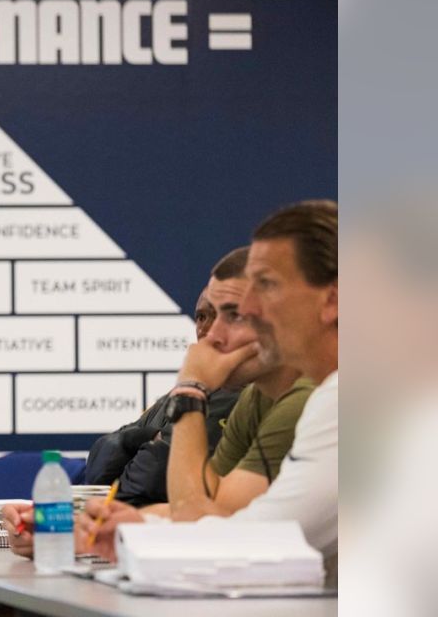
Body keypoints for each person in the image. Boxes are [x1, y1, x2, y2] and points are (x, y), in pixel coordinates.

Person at [73, 200, 339, 569]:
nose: (251, 308)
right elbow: (228, 513)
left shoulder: (343, 400)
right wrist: (129, 526)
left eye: (268, 286)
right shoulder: (317, 395)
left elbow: (248, 540)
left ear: (333, 300)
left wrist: (191, 389)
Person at [164, 246, 313, 520]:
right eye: (208, 315)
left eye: (236, 316)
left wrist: (190, 389)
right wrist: (127, 520)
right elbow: (212, 497)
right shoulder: (256, 396)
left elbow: (197, 516)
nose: (212, 336)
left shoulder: (309, 399)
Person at [84, 276, 242, 506]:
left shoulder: (239, 396)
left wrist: (138, 443)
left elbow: (146, 484)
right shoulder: (177, 394)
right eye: (201, 317)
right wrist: (141, 438)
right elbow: (98, 467)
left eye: (219, 316)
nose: (207, 329)